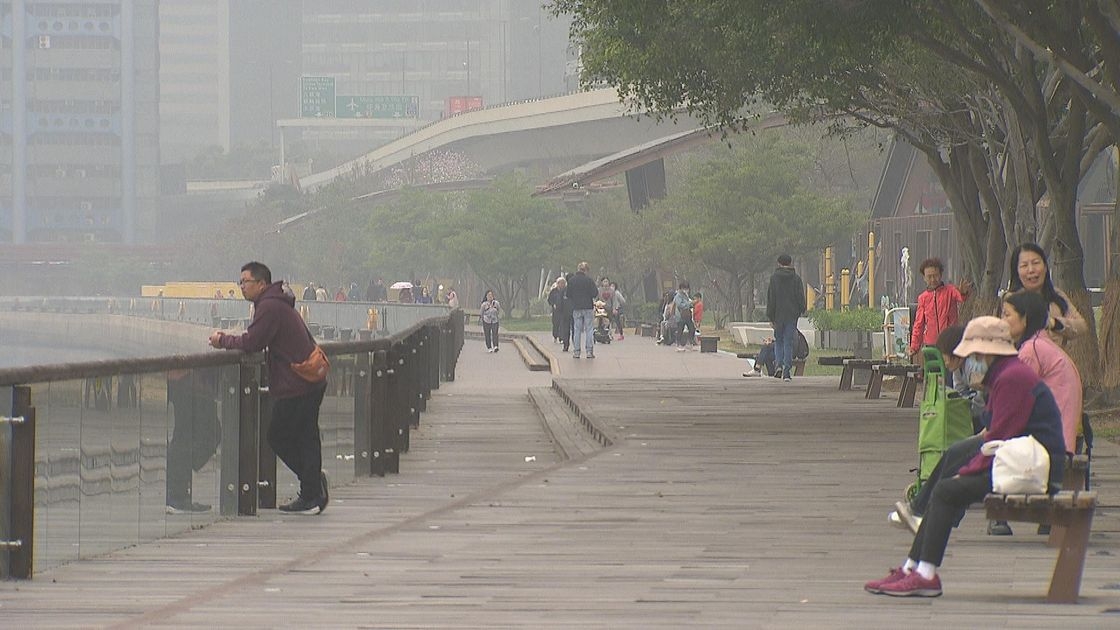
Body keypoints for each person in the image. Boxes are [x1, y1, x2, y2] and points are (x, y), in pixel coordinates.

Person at [865, 316, 1064, 597]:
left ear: (986, 353)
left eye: (973, 354)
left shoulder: (1012, 378)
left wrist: (969, 470)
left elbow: (998, 436)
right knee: (947, 485)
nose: (970, 361)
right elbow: (996, 432)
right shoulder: (1003, 375)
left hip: (1035, 469)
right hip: (1019, 461)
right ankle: (912, 567)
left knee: (947, 490)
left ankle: (925, 574)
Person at [208, 262, 329, 515]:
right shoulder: (276, 303)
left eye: (246, 282)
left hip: (297, 382)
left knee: (278, 436)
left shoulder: (269, 307)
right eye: (240, 282)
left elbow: (253, 341)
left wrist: (223, 341)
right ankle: (312, 491)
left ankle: (313, 487)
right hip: (307, 379)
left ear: (261, 284)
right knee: (307, 436)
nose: (242, 286)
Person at [1007, 242, 1087, 346]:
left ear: (1045, 267)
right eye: (1024, 265)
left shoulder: (1057, 295)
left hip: (1055, 359)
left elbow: (1082, 326)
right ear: (1016, 271)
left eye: (1036, 263)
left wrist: (1054, 323)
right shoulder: (1011, 299)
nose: (1031, 270)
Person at [165, 368, 221, 514]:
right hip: (187, 378)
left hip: (197, 379)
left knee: (206, 433)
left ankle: (178, 489)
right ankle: (176, 494)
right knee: (187, 435)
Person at [909, 257, 968, 362]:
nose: (933, 280)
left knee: (949, 374)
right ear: (924, 278)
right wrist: (914, 346)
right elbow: (919, 324)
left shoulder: (950, 291)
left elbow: (961, 297)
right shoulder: (923, 298)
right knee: (932, 373)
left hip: (949, 343)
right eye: (929, 276)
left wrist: (963, 292)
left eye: (935, 276)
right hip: (931, 345)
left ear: (940, 275)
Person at [766, 254, 807, 381]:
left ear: (779, 263)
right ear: (790, 263)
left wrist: (771, 316)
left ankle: (778, 365)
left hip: (778, 315)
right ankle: (787, 372)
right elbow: (800, 297)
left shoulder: (774, 279)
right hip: (791, 316)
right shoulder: (796, 279)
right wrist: (801, 310)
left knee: (778, 341)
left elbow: (771, 299)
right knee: (788, 342)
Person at [566, 261, 599, 359]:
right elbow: (594, 293)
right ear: (586, 270)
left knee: (577, 330)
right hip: (588, 307)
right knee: (589, 329)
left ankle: (576, 352)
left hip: (576, 307)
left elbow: (568, 294)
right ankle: (589, 352)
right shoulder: (589, 280)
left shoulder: (571, 281)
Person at [673, 281, 696, 352]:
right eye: (684, 288)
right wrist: (689, 304)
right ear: (681, 288)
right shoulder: (678, 296)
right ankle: (678, 345)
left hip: (687, 315)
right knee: (680, 330)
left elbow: (688, 304)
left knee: (692, 328)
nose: (686, 290)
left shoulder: (686, 295)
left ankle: (690, 343)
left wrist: (692, 303)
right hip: (680, 316)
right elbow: (680, 305)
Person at [548, 277, 565, 343]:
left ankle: (561, 338)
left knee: (562, 324)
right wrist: (553, 304)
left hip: (563, 310)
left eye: (563, 283)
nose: (562, 285)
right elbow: (549, 300)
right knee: (555, 323)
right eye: (561, 283)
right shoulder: (553, 291)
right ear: (557, 284)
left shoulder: (565, 291)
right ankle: (555, 336)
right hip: (555, 310)